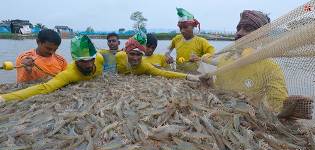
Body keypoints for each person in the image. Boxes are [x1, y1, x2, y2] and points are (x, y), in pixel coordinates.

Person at [0, 34, 198, 103]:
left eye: (91, 60)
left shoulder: (104, 60)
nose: (88, 64)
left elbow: (163, 72)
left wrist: (191, 78)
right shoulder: (71, 72)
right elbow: (44, 88)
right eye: (83, 61)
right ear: (75, 60)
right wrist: (4, 98)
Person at [200, 10, 313, 119]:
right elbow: (220, 93)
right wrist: (211, 86)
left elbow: (277, 107)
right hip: (221, 114)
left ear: (261, 37)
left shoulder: (270, 68)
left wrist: (291, 108)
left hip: (250, 120)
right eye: (238, 28)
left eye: (248, 29)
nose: (239, 33)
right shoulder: (225, 60)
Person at [116, 31, 199, 80]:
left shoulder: (144, 66)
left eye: (139, 54)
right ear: (126, 53)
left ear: (142, 54)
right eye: (132, 54)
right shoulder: (119, 56)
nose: (135, 58)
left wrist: (191, 77)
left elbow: (164, 73)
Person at [166, 8, 215, 72]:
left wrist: (200, 58)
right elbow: (168, 50)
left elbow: (212, 53)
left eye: (185, 27)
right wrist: (167, 56)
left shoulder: (201, 41)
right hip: (179, 73)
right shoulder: (177, 39)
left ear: (193, 26)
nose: (182, 31)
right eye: (180, 28)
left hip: (195, 74)